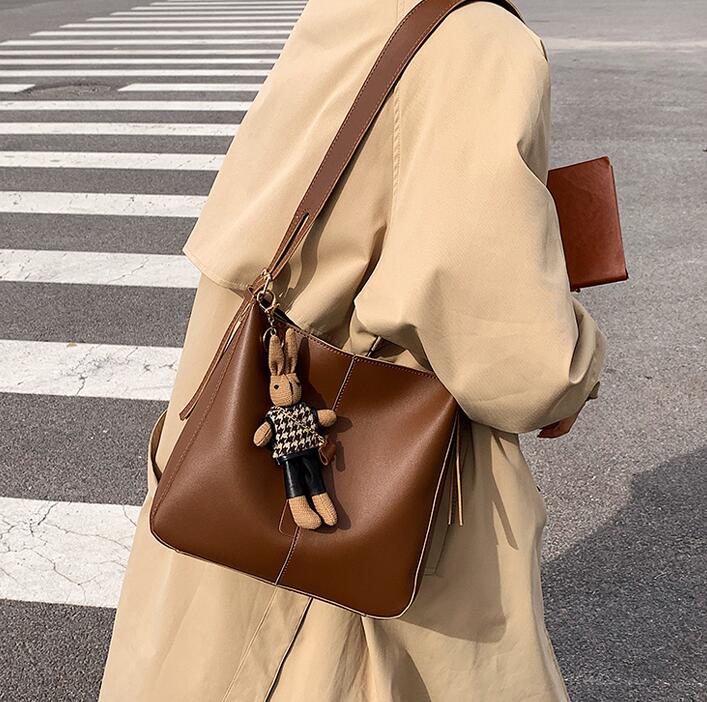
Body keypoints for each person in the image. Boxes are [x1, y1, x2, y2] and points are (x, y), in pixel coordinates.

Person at [100, 0, 605, 700]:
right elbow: (507, 351)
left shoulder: (356, 7)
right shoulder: (479, 40)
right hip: (375, 473)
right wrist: (575, 366)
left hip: (233, 421)